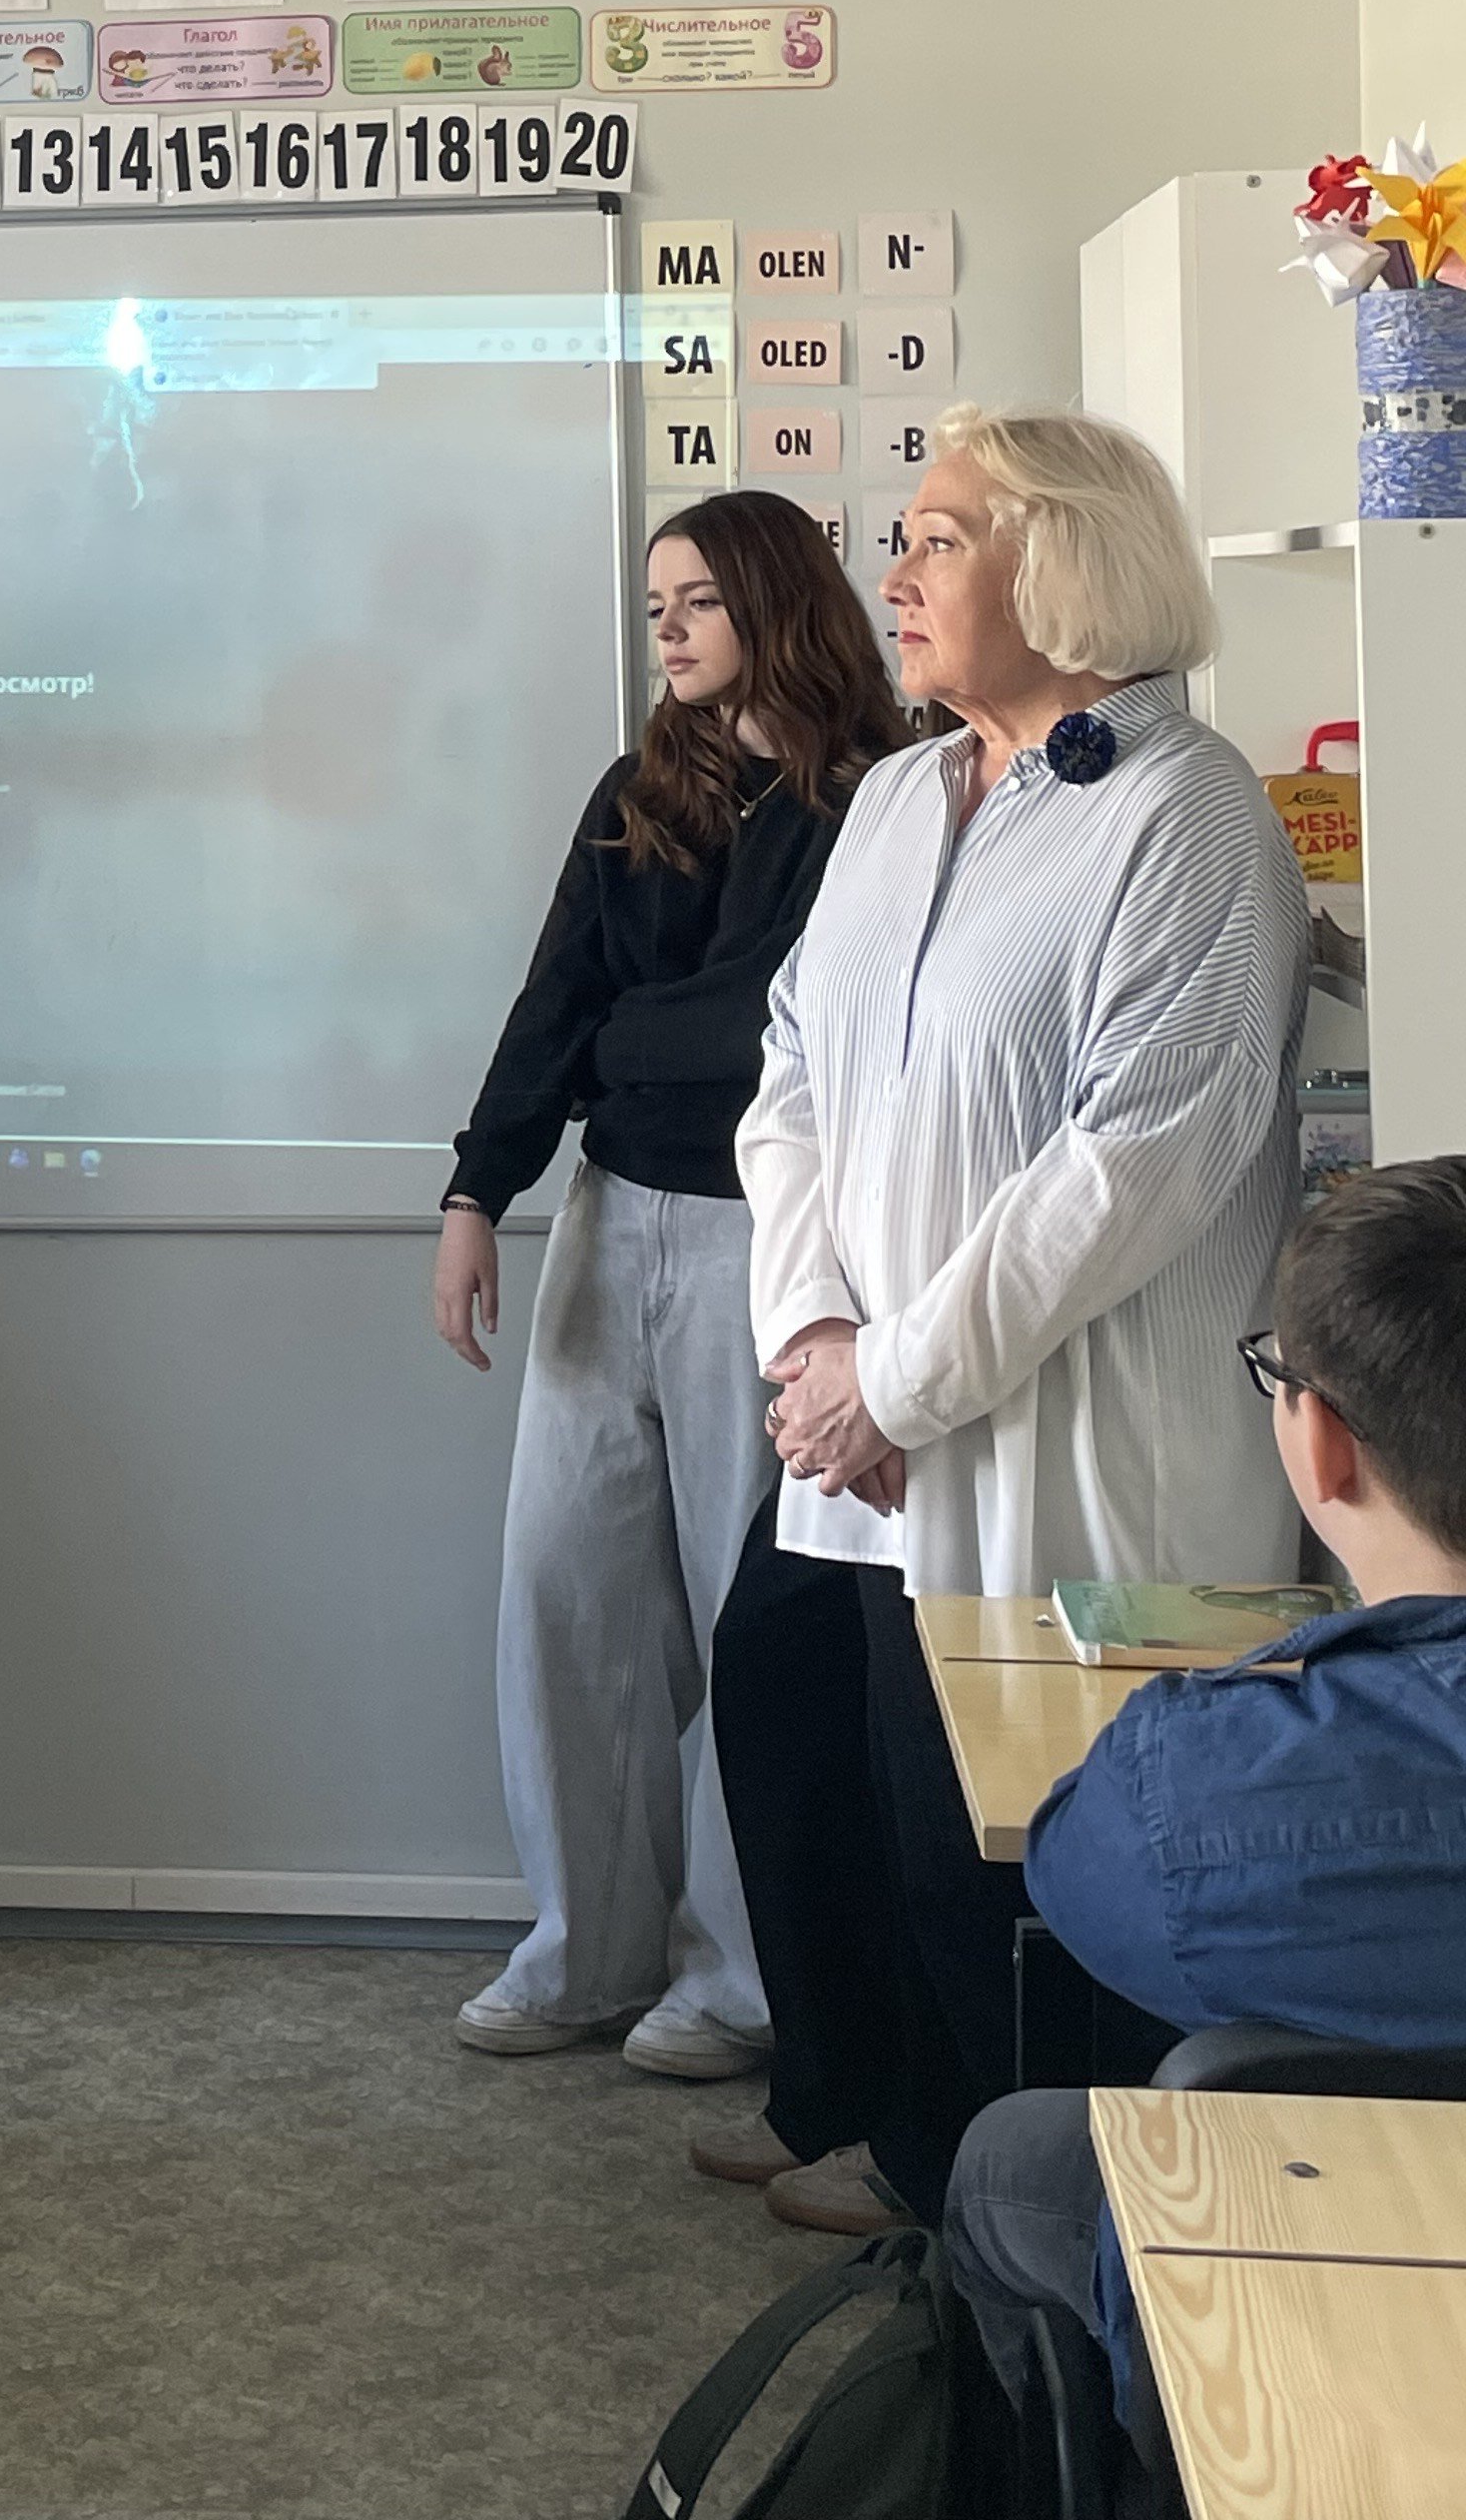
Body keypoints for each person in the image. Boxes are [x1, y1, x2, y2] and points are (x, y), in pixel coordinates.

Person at [710, 406, 1307, 2239]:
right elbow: (792, 1074)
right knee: (874, 1813)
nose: (889, 573)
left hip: (1069, 1478)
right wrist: (814, 1334)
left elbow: (1129, 1166)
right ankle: (920, 2158)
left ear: (1066, 564)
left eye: (936, 538)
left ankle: (1028, 2250)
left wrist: (890, 1380)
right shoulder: (904, 797)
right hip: (871, 1439)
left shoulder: (1184, 812)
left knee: (1038, 1902)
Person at [439, 493, 905, 2079]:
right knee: (564, 1595)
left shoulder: (886, 796)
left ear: (774, 601)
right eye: (658, 607)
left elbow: (773, 1027)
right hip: (608, 1212)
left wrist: (636, 1042)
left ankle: (735, 1983)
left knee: (741, 1612)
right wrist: (474, 1191)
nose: (671, 631)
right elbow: (558, 1000)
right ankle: (582, 1951)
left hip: (769, 1239)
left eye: (698, 600)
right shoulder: (637, 791)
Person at [944, 1157, 1466, 2501]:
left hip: (1335, 2324)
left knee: (1012, 2160)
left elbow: (1076, 1873)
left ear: (1318, 1440)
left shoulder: (1204, 1786)